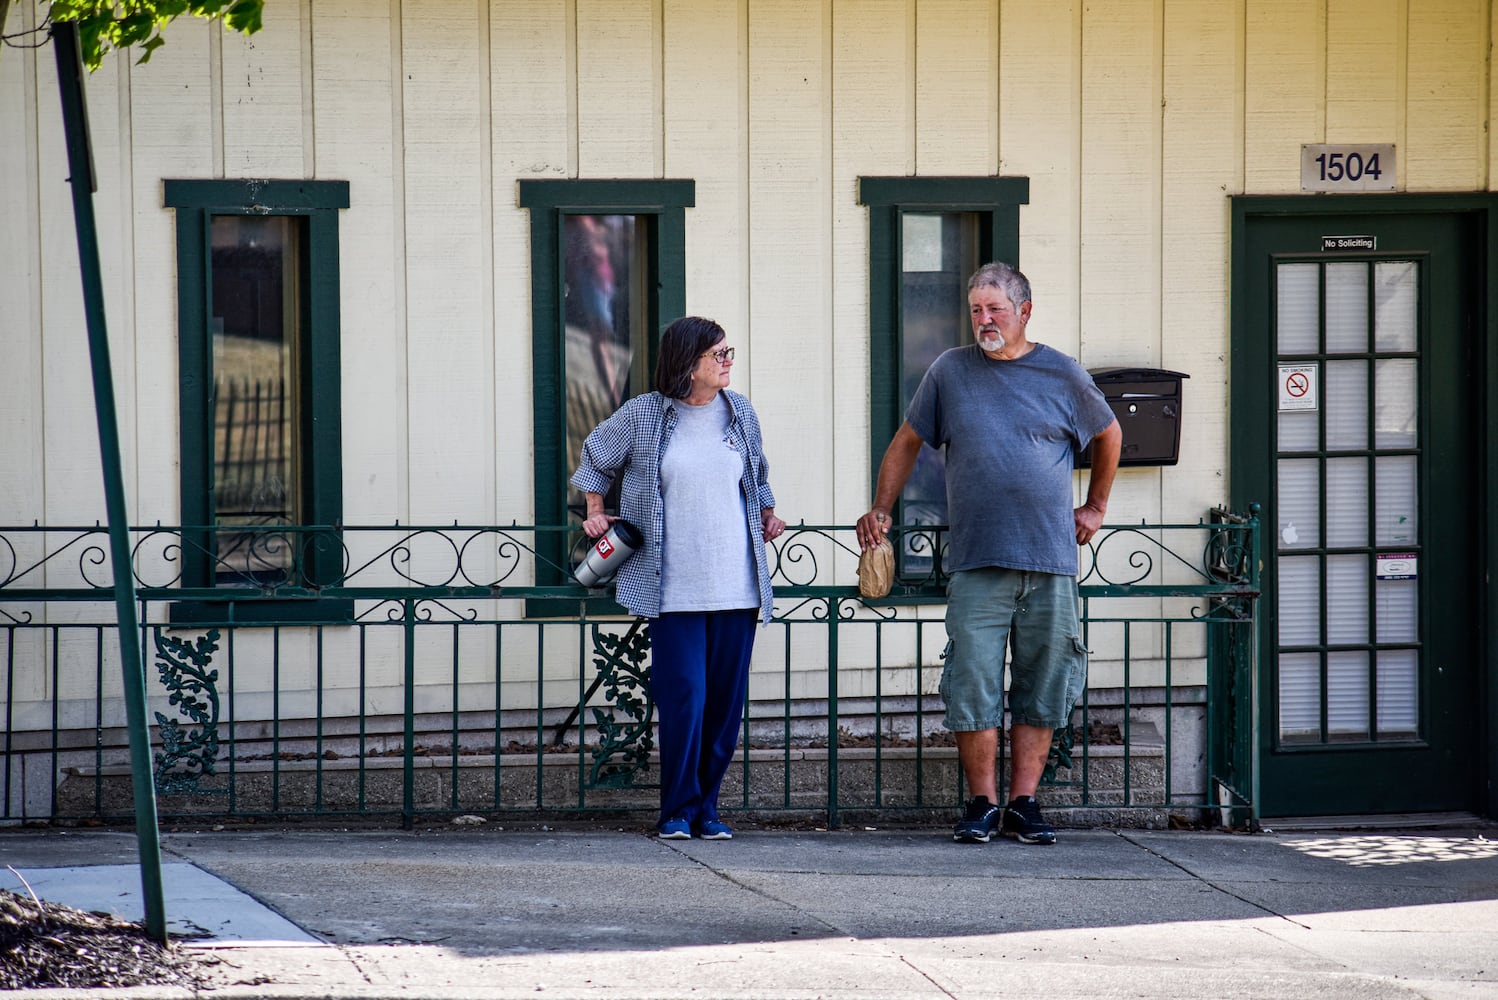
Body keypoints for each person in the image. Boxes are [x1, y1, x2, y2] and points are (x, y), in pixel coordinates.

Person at [855, 262, 1121, 846]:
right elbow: (906, 441)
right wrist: (881, 508)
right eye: (976, 309)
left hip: (1050, 559)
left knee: (1044, 681)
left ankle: (1024, 804)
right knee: (973, 684)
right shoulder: (951, 371)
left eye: (995, 309)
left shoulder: (1062, 374)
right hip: (976, 561)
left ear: (1025, 311)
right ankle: (983, 803)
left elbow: (1109, 434)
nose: (984, 319)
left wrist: (1096, 507)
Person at [572, 316, 786, 841]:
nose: (728, 360)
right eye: (718, 354)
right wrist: (596, 510)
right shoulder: (646, 413)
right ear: (689, 364)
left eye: (728, 351)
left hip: (737, 586)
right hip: (674, 590)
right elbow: (596, 455)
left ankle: (707, 808)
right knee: (685, 700)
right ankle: (676, 809)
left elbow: (756, 476)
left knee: (723, 707)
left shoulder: (741, 414)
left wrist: (768, 514)